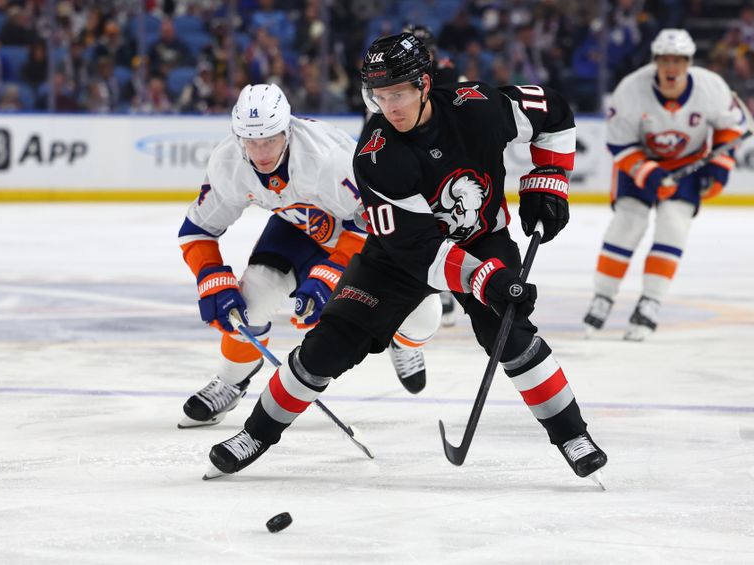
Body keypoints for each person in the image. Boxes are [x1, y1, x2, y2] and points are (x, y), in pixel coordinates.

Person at [204, 33, 607, 482]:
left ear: (423, 84)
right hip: (398, 258)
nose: (389, 107)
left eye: (398, 93)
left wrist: (548, 177)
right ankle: (256, 433)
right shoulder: (376, 157)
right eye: (379, 95)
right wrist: (483, 279)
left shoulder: (478, 107)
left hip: (481, 239)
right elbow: (419, 249)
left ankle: (573, 435)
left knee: (509, 333)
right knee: (328, 344)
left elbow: (554, 112)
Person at [177, 83, 441, 429]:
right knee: (250, 299)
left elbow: (376, 222)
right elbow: (197, 230)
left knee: (425, 316)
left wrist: (332, 272)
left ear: (287, 130)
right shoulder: (229, 161)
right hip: (298, 230)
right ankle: (230, 381)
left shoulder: (328, 158)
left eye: (269, 139)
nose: (260, 152)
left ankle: (401, 339)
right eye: (251, 141)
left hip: (369, 236)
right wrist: (210, 275)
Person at [583, 29, 745, 341]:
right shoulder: (630, 90)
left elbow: (729, 130)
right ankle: (603, 296)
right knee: (628, 223)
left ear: (689, 62)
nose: (672, 68)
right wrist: (650, 174)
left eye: (679, 60)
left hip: (687, 163)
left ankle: (650, 302)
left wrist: (719, 169)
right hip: (640, 162)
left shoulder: (711, 87)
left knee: (674, 225)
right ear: (656, 61)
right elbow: (619, 145)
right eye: (666, 60)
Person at [404, 23, 463, 326]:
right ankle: (428, 284)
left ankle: (447, 285)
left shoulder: (446, 72)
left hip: (439, 150)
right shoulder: (396, 72)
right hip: (409, 151)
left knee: (445, 215)